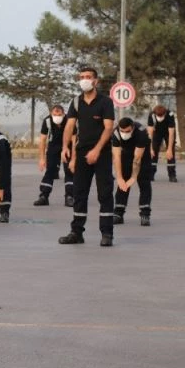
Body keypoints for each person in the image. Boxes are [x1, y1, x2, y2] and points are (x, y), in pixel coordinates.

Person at [59, 66, 116, 246]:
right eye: (81, 77)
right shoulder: (76, 102)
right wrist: (65, 147)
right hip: (82, 152)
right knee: (79, 193)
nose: (84, 80)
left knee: (105, 193)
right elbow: (69, 126)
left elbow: (108, 128)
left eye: (88, 77)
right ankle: (76, 232)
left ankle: (107, 233)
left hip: (102, 153)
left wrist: (97, 150)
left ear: (95, 81)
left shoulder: (105, 102)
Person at [112, 117, 153, 226]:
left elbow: (137, 158)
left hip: (143, 157)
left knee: (144, 183)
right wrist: (119, 178)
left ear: (133, 128)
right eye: (122, 131)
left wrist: (133, 177)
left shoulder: (141, 133)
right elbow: (116, 157)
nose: (124, 133)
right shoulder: (116, 133)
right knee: (122, 184)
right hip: (125, 155)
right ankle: (118, 213)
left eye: (128, 131)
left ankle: (145, 214)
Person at [34, 105, 74, 207]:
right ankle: (44, 196)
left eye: (59, 115)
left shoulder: (70, 120)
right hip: (53, 146)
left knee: (69, 170)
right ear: (51, 114)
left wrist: (74, 158)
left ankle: (70, 196)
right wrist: (42, 159)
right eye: (54, 115)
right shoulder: (47, 121)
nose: (57, 117)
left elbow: (74, 140)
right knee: (50, 170)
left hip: (68, 146)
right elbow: (42, 140)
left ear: (63, 114)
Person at [147, 105, 177, 182]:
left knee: (170, 154)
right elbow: (150, 133)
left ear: (165, 114)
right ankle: (151, 174)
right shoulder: (151, 115)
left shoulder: (170, 115)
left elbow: (171, 133)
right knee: (153, 152)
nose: (160, 118)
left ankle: (172, 175)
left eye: (161, 116)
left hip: (168, 133)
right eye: (158, 116)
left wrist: (169, 149)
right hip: (156, 133)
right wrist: (150, 148)